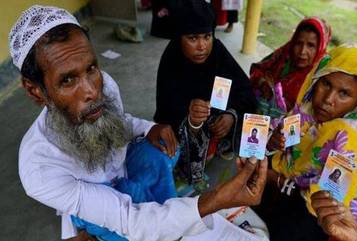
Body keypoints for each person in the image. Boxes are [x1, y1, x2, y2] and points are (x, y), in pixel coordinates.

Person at [10, 5, 268, 241]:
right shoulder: (39, 167)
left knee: (164, 150)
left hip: (125, 172)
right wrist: (216, 200)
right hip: (100, 202)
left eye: (91, 68)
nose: (91, 91)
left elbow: (119, 120)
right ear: (35, 91)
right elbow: (129, 221)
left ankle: (167, 209)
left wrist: (149, 128)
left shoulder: (105, 84)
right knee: (138, 228)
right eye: (67, 80)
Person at [263, 43, 357, 241]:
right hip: (284, 207)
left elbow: (322, 207)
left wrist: (275, 178)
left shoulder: (349, 140)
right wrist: (273, 144)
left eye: (344, 94)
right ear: (315, 79)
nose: (328, 99)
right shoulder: (305, 116)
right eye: (326, 84)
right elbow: (284, 156)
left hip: (312, 226)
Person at [153, 0, 256, 186]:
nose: (202, 46)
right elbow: (165, 113)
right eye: (193, 38)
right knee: (161, 155)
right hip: (184, 133)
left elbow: (246, 91)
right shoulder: (171, 60)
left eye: (207, 36)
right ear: (179, 37)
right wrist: (191, 117)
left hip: (219, 128)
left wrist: (230, 116)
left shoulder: (217, 52)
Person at [250, 17, 331, 118]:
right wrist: (263, 84)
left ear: (320, 47)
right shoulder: (285, 54)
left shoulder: (322, 76)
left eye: (310, 45)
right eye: (299, 43)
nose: (302, 51)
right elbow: (257, 69)